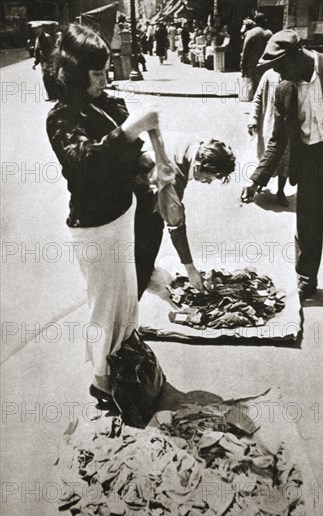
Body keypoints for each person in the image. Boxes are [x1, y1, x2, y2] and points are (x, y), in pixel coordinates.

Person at [46, 24, 160, 403]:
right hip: (94, 226)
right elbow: (84, 164)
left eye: (107, 71)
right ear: (78, 74)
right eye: (97, 74)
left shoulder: (110, 104)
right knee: (104, 307)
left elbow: (129, 160)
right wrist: (128, 133)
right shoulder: (61, 118)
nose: (105, 80)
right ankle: (102, 381)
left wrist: (151, 166)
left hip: (122, 215)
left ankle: (126, 366)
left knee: (126, 301)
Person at [241, 30, 323, 319]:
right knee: (307, 226)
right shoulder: (284, 89)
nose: (278, 73)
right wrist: (256, 179)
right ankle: (307, 281)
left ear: (298, 54)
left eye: (281, 65)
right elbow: (278, 141)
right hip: (311, 162)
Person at [135, 138, 236, 296]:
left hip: (137, 178)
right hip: (128, 200)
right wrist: (190, 269)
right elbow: (176, 227)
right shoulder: (172, 180)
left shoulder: (190, 146)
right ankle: (134, 293)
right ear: (198, 166)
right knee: (149, 240)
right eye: (208, 178)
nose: (207, 183)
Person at [247, 68, 289, 206]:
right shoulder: (269, 75)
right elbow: (258, 98)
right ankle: (259, 183)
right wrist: (253, 119)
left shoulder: (294, 75)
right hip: (268, 124)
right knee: (266, 155)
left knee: (285, 160)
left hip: (287, 127)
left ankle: (281, 191)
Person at [240, 13, 272, 99]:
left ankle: (255, 107)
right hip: (265, 65)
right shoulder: (268, 33)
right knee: (264, 87)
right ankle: (261, 107)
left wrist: (242, 65)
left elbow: (245, 50)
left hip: (252, 65)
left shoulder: (250, 33)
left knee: (253, 86)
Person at [31, 22, 55, 100]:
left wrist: (51, 61)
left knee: (48, 78)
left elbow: (52, 50)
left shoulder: (47, 37)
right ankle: (51, 95)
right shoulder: (37, 38)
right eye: (34, 29)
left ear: (41, 28)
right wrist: (36, 63)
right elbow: (37, 51)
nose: (35, 31)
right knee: (47, 78)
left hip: (49, 61)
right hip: (43, 62)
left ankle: (53, 95)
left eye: (37, 28)